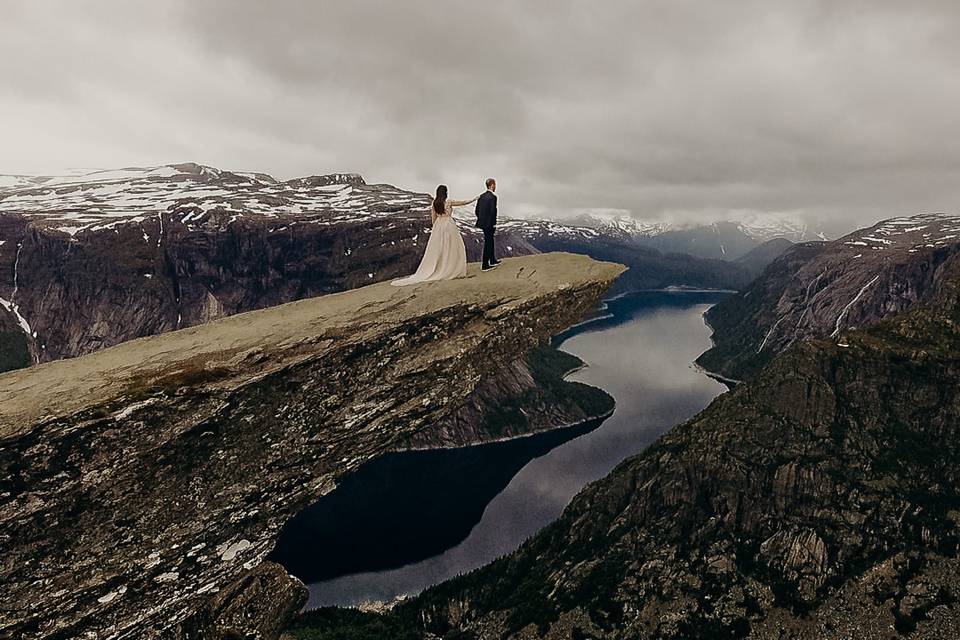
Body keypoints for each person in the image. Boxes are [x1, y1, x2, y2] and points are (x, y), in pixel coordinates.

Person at [392, 184, 478, 286]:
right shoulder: (448, 202)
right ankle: (451, 267)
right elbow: (462, 202)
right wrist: (474, 199)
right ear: (445, 193)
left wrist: (435, 229)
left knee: (439, 248)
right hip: (449, 224)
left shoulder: (434, 203)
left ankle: (439, 267)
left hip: (439, 225)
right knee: (452, 247)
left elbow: (433, 218)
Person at [475, 177, 500, 271]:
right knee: (488, 242)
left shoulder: (481, 196)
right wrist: (493, 223)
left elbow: (477, 211)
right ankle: (485, 264)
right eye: (495, 185)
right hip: (489, 223)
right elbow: (493, 212)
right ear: (492, 185)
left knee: (490, 240)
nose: (495, 187)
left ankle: (492, 259)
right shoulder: (493, 197)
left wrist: (481, 219)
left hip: (482, 223)